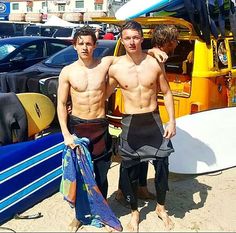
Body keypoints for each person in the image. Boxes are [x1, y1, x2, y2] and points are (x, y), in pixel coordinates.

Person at [57, 26, 167, 231]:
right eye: (80, 43)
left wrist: (153, 51)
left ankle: (104, 212)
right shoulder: (67, 72)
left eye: (89, 43)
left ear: (95, 45)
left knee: (101, 173)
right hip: (78, 127)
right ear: (74, 46)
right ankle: (79, 215)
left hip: (99, 125)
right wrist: (65, 134)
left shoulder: (106, 63)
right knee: (79, 175)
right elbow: (61, 104)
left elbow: (134, 54)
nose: (84, 47)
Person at [106, 21, 176, 232]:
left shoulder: (155, 62)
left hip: (153, 120)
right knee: (130, 169)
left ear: (142, 38)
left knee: (163, 164)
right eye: (127, 38)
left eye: (135, 37)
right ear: (121, 40)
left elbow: (168, 92)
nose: (132, 42)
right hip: (130, 122)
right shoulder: (115, 67)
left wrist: (171, 121)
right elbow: (103, 95)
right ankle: (135, 212)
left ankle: (161, 208)